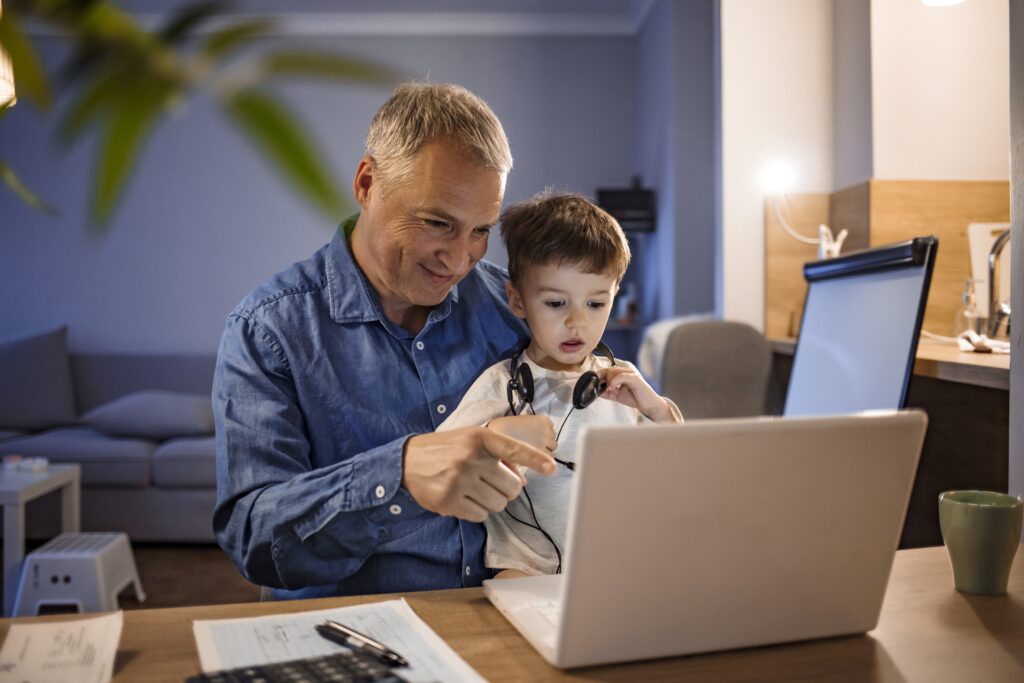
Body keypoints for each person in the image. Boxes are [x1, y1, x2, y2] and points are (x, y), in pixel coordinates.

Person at [212, 82, 557, 600]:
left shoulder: (514, 309)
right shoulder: (267, 330)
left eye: (481, 230)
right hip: (348, 630)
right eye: (437, 223)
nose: (459, 260)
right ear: (368, 182)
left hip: (506, 616)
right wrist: (398, 475)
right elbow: (254, 537)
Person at [436, 192, 683, 577]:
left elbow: (678, 467)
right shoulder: (504, 383)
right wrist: (492, 434)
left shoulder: (622, 382)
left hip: (612, 564)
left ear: (614, 295)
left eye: (596, 304)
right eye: (556, 304)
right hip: (525, 567)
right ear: (517, 301)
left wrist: (656, 410)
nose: (577, 323)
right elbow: (442, 454)